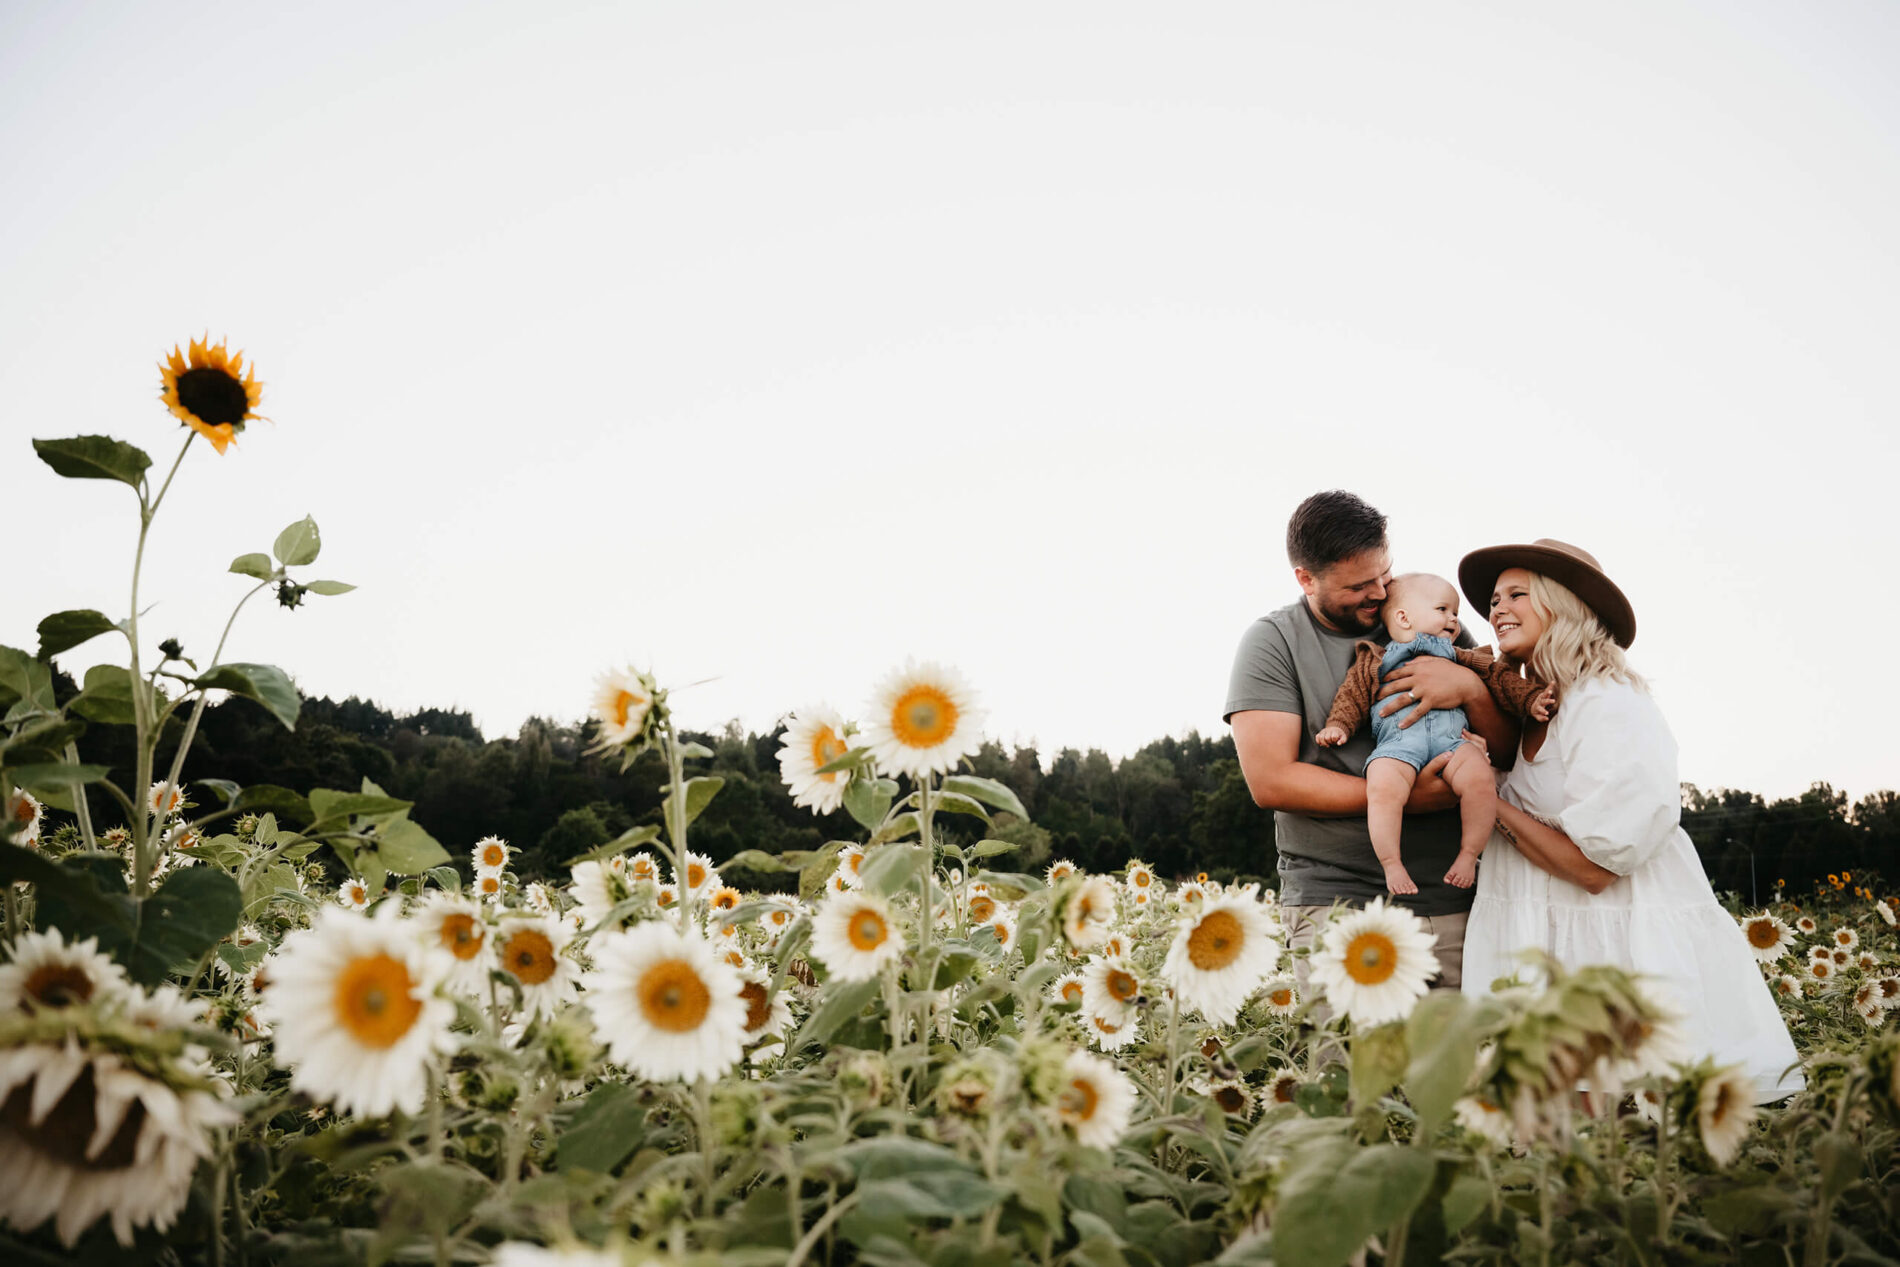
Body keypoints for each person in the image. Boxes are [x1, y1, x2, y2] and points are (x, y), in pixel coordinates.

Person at [1456, 539, 1801, 1101]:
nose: (1496, 609)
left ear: (1564, 604)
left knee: (1629, 1129)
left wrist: (1486, 799)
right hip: (1535, 929)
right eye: (1494, 599)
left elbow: (1597, 870)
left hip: (1612, 945)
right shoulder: (1536, 705)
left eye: (1517, 594)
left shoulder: (1607, 699)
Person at [1225, 491, 1521, 998]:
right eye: (1359, 585)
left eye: (1385, 574)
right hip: (1335, 900)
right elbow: (1271, 780)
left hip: (1448, 897)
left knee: (1448, 1070)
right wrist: (1405, 796)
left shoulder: (1434, 620)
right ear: (1306, 578)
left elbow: (1509, 750)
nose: (1381, 593)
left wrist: (1472, 690)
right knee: (1347, 1073)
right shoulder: (1274, 642)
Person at [1316, 572, 1555, 896]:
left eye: (1455, 613)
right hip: (1398, 743)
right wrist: (1338, 726)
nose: (1454, 620)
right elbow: (1352, 695)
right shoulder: (1374, 659)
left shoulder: (1459, 656)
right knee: (1383, 788)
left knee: (1480, 780)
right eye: (1443, 609)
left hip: (1454, 742)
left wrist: (1531, 699)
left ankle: (1469, 855)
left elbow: (1499, 678)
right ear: (1403, 617)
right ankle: (1391, 862)